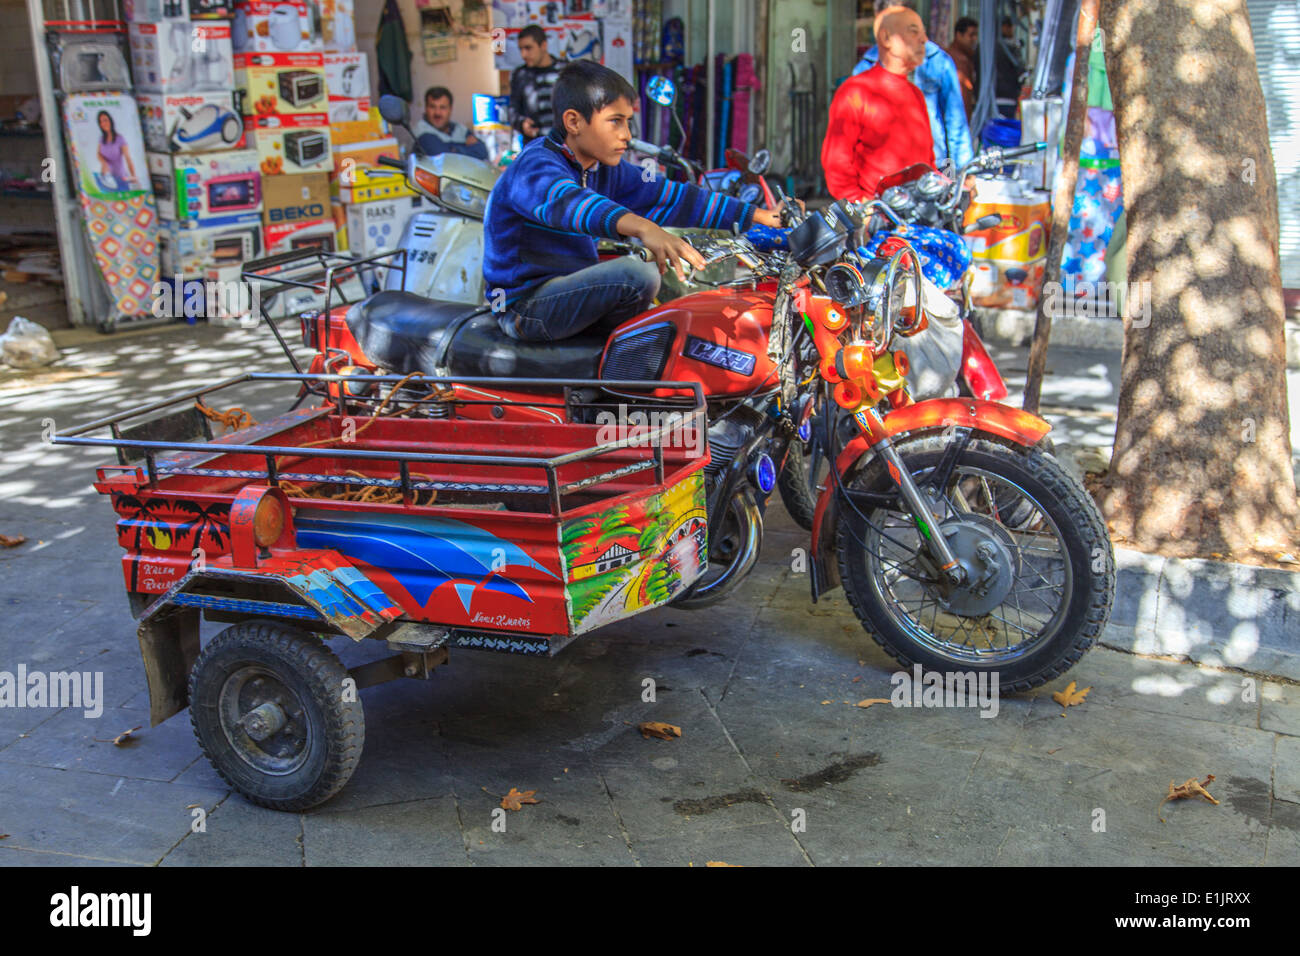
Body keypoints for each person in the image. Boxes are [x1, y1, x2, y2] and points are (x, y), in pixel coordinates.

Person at [483, 60, 786, 343]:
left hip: (567, 292)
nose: (627, 135)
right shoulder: (536, 165)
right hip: (525, 307)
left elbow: (673, 196)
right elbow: (570, 203)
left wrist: (758, 215)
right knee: (637, 275)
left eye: (628, 122)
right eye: (615, 122)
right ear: (574, 122)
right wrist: (643, 228)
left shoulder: (601, 168)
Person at [823, 6, 935, 200]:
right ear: (886, 38)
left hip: (917, 213)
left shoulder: (916, 94)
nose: (924, 40)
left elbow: (928, 160)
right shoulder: (856, 91)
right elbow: (836, 161)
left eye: (924, 33)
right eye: (914, 31)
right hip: (876, 216)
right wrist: (858, 205)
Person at [852, 11, 973, 167]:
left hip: (931, 167)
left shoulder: (938, 62)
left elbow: (955, 120)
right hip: (879, 170)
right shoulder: (865, 68)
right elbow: (851, 134)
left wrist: (963, 170)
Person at [509, 24, 565, 142]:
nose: (523, 55)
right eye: (521, 49)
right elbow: (512, 110)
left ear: (543, 45)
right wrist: (522, 123)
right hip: (536, 146)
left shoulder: (566, 70)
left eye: (528, 48)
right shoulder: (520, 75)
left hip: (566, 147)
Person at [413, 86, 488, 160]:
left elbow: (482, 151)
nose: (437, 113)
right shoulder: (422, 132)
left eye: (442, 107)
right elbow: (446, 159)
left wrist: (453, 149)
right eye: (432, 107)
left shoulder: (459, 128)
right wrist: (465, 147)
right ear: (426, 109)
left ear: (450, 109)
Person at [96, 110, 136, 192]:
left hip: (120, 178)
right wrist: (104, 163)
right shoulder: (101, 139)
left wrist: (133, 176)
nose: (103, 123)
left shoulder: (119, 139)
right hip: (106, 178)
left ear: (110, 121)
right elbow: (98, 153)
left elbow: (128, 158)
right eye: (101, 122)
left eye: (105, 120)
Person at [947, 16, 979, 119]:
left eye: (976, 35)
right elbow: (962, 94)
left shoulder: (966, 57)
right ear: (959, 35)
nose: (974, 39)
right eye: (971, 35)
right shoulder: (957, 59)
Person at [995, 16, 1025, 112]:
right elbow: (1020, 71)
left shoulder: (983, 47)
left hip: (989, 98)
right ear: (1004, 27)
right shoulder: (1010, 48)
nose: (1012, 30)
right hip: (1007, 99)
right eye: (1010, 27)